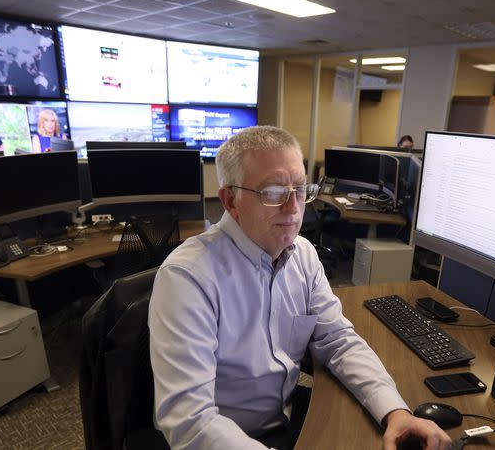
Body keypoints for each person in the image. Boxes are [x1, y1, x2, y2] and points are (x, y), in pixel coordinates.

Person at [149, 126, 451, 450]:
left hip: (289, 422)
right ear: (230, 200)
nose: (294, 208)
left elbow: (337, 341)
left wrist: (395, 412)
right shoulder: (187, 277)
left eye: (301, 188)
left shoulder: (303, 254)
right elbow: (190, 420)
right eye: (274, 192)